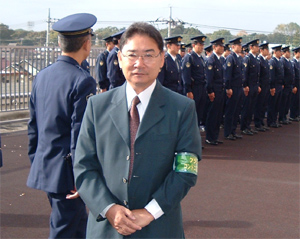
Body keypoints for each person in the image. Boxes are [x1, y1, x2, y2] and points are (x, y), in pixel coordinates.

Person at [73, 22, 202, 238]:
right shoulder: (97, 106)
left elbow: (186, 170)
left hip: (159, 226)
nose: (139, 63)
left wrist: (149, 212)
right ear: (120, 59)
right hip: (107, 227)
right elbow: (83, 167)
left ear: (162, 59)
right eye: (132, 55)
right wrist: (109, 209)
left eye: (149, 55)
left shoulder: (182, 109)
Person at [26, 13, 97, 238]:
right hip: (67, 173)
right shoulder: (82, 80)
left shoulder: (43, 75)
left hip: (48, 165)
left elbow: (33, 125)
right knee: (65, 228)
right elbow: (80, 135)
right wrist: (81, 176)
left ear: (59, 43)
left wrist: (37, 160)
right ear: (87, 43)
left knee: (77, 226)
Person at [182, 35, 207, 130]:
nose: (202, 47)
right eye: (199, 45)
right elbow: (186, 76)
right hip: (194, 89)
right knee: (192, 115)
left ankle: (196, 139)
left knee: (199, 114)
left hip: (201, 88)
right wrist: (188, 91)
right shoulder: (189, 58)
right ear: (193, 45)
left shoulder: (200, 58)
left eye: (202, 45)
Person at [204, 38, 225, 145]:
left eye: (222, 46)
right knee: (212, 115)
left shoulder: (220, 60)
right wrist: (210, 91)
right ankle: (210, 137)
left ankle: (215, 136)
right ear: (214, 47)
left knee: (218, 115)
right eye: (219, 46)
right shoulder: (211, 60)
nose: (222, 48)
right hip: (214, 92)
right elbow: (209, 79)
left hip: (220, 91)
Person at [224, 37, 244, 140]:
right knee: (230, 111)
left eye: (240, 45)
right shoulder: (230, 58)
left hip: (239, 87)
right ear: (233, 47)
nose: (240, 47)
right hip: (233, 88)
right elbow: (228, 75)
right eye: (238, 45)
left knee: (236, 111)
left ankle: (233, 130)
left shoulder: (239, 58)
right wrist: (228, 88)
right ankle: (227, 132)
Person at [240, 39, 261, 135]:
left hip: (254, 86)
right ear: (251, 47)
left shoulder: (256, 59)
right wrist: (245, 86)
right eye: (256, 46)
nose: (258, 48)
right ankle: (244, 127)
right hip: (248, 87)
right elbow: (245, 74)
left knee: (251, 107)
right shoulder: (247, 58)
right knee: (246, 107)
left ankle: (248, 126)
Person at [254, 42, 271, 131]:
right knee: (259, 105)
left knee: (264, 105)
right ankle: (257, 123)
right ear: (262, 50)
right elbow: (258, 75)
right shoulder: (259, 60)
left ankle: (261, 122)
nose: (268, 51)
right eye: (266, 49)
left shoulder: (265, 60)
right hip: (261, 86)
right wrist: (259, 85)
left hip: (266, 86)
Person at [267, 45, 284, 128]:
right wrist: (272, 87)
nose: (281, 53)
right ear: (275, 52)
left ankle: (274, 120)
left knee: (277, 105)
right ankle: (270, 121)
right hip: (275, 86)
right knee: (272, 104)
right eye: (279, 51)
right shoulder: (272, 61)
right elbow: (272, 76)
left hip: (279, 85)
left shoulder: (279, 61)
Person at [279, 46, 295, 125]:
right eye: (288, 52)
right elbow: (282, 74)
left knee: (287, 102)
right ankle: (281, 118)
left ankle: (284, 117)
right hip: (285, 85)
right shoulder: (282, 61)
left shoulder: (288, 61)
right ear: (284, 53)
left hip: (289, 85)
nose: (290, 54)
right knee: (283, 102)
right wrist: (283, 83)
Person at [290, 46, 300, 121]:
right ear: (295, 53)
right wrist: (293, 85)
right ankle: (293, 115)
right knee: (294, 100)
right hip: (295, 84)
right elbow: (293, 75)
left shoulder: (298, 62)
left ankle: (297, 114)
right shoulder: (293, 62)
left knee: (298, 100)